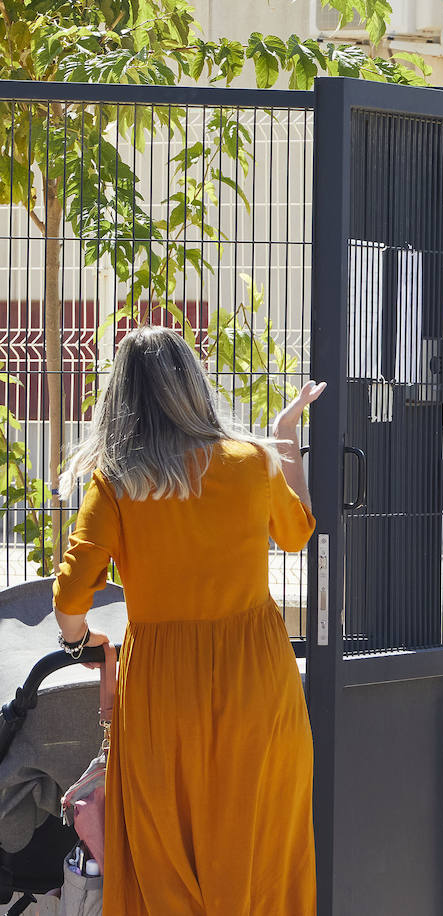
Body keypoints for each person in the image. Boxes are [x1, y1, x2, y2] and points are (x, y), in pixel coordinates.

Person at [51, 326, 325, 915]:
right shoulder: (252, 462)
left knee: (165, 861)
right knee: (261, 853)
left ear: (120, 397)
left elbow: (71, 595)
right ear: (193, 387)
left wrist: (82, 644)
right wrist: (283, 438)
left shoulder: (117, 482)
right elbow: (299, 531)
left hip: (160, 694)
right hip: (259, 682)